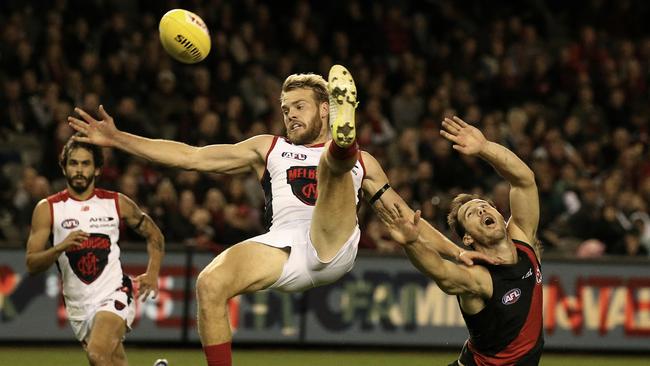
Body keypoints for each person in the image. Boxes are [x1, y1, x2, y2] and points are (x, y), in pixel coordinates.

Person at [68, 65, 495, 366]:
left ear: (325, 109)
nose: (289, 114)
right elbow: (190, 156)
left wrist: (461, 254)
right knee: (209, 283)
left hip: (333, 243)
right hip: (285, 244)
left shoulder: (367, 163)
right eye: (285, 107)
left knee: (334, 167)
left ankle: (341, 148)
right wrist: (117, 138)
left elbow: (405, 219)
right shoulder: (267, 147)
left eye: (299, 106)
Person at [382, 116, 543, 366]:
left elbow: (524, 180)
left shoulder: (524, 240)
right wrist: (412, 243)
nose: (481, 212)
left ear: (501, 215)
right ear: (467, 237)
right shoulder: (479, 277)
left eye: (483, 207)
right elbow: (442, 273)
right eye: (471, 214)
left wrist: (485, 148)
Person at [25, 134, 165, 366]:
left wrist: (153, 272)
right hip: (78, 306)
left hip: (114, 292)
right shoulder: (47, 209)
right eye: (74, 163)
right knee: (112, 361)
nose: (79, 170)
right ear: (64, 167)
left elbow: (154, 234)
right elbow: (31, 264)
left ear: (97, 170)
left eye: (85, 163)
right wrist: (60, 247)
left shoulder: (116, 203)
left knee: (97, 355)